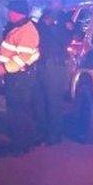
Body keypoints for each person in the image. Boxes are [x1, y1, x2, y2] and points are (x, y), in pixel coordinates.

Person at [0, 0, 40, 155]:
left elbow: (22, 58)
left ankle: (20, 145)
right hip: (16, 77)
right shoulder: (18, 28)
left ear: (17, 12)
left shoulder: (26, 31)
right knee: (17, 110)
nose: (8, 13)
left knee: (19, 111)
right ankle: (21, 142)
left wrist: (4, 68)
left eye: (10, 10)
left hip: (19, 78)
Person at [35, 8, 72, 145]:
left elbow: (66, 39)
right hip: (43, 66)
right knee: (42, 102)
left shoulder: (63, 26)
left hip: (55, 67)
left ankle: (54, 136)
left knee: (53, 103)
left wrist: (60, 26)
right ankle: (44, 133)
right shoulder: (42, 26)